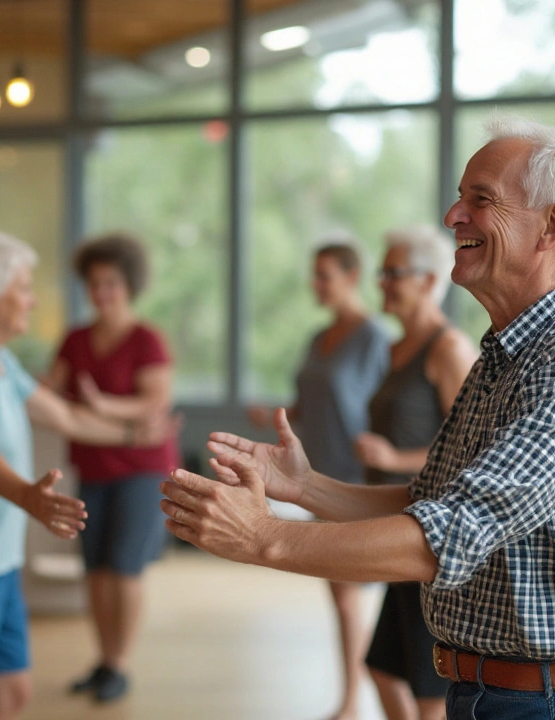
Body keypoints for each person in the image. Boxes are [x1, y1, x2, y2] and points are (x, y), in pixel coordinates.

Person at [161, 116, 555, 720]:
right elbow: (429, 497)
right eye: (459, 196)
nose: (453, 216)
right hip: (493, 696)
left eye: (481, 199)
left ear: (551, 225)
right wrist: (307, 485)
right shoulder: (505, 352)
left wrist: (264, 536)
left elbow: (448, 533)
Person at [0, 228, 166, 720]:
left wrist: (134, 438)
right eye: (23, 287)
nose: (32, 299)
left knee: (12, 692)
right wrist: (27, 496)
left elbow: (65, 417)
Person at [247, 239, 389, 720]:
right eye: (315, 274)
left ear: (352, 277)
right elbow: (310, 402)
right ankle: (356, 692)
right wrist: (275, 415)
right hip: (316, 474)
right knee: (339, 596)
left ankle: (355, 699)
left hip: (356, 479)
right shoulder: (317, 338)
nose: (316, 284)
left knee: (350, 598)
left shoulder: (374, 338)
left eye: (325, 274)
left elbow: (386, 407)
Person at [44, 232, 179, 703]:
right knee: (96, 570)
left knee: (124, 568)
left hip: (141, 470)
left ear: (130, 286)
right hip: (92, 467)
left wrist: (102, 404)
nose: (102, 293)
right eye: (94, 283)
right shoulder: (76, 338)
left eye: (112, 284)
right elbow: (49, 392)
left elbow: (156, 402)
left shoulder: (146, 339)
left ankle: (120, 665)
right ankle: (103, 661)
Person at [354, 226, 477, 720]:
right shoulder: (393, 349)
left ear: (429, 281)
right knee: (383, 668)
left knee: (430, 690)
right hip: (397, 524)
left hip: (433, 541)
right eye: (381, 272)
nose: (381, 282)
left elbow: (473, 452)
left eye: (393, 273)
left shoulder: (448, 348)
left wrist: (392, 459)